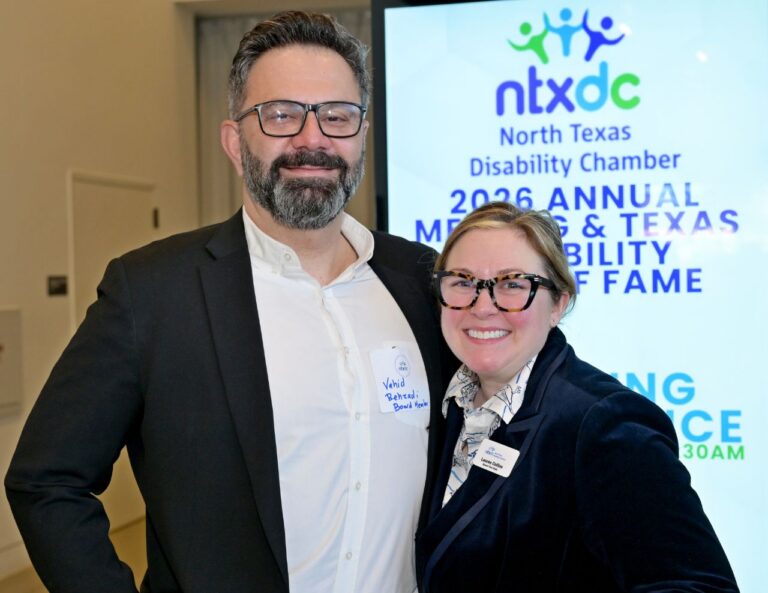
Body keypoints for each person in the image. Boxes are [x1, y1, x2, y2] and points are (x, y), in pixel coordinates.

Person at [5, 11, 454, 593]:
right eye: (282, 115)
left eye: (337, 117)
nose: (313, 139)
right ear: (235, 142)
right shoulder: (151, 292)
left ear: (363, 135)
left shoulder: (422, 279)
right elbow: (47, 480)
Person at [415, 202, 738, 593]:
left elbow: (697, 586)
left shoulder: (604, 424)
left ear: (559, 304)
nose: (483, 306)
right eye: (463, 282)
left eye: (513, 284)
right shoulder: (444, 406)